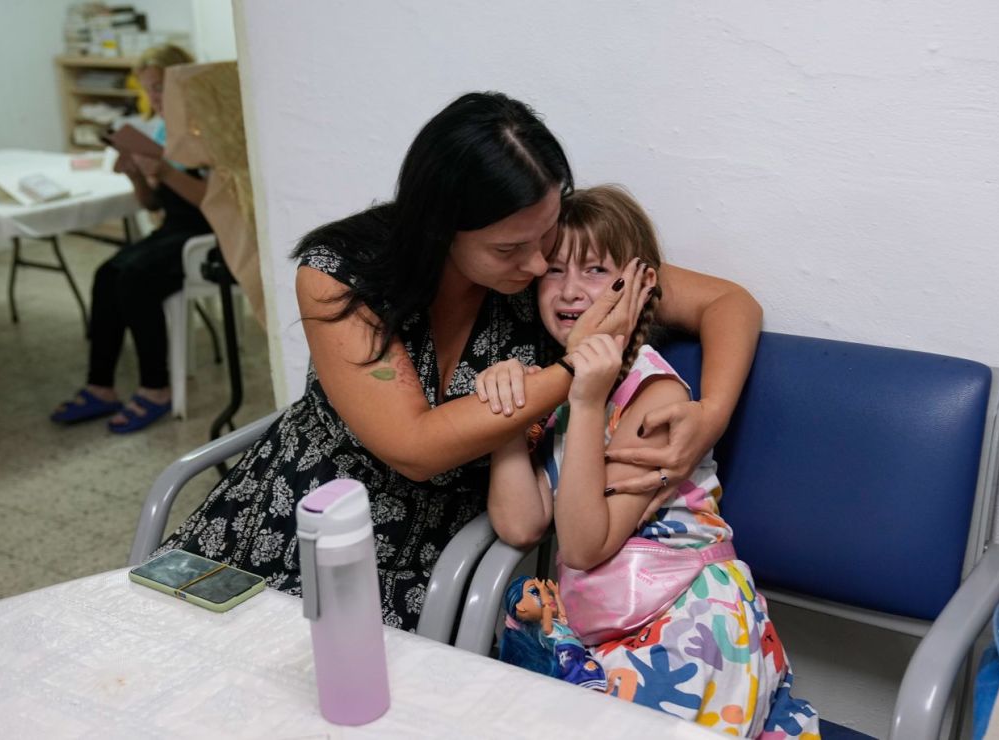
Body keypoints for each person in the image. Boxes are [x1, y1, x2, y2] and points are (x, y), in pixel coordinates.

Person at [156, 92, 762, 632]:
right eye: (509, 248)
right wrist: (577, 371)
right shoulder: (342, 272)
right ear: (441, 229)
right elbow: (414, 446)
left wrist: (710, 415)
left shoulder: (556, 273)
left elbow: (729, 303)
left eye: (546, 235)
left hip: (430, 558)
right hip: (296, 512)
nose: (535, 268)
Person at [484, 185, 819, 737]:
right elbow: (521, 521)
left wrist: (588, 400)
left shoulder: (654, 395)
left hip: (687, 623)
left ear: (641, 288)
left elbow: (587, 544)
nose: (570, 291)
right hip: (607, 625)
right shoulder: (563, 388)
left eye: (596, 271)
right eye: (555, 271)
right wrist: (505, 416)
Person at [51, 44, 211, 433]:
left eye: (160, 87)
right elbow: (154, 205)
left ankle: (156, 388)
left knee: (136, 278)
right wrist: (137, 176)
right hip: (174, 227)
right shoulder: (158, 129)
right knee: (107, 273)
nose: (154, 98)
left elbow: (215, 204)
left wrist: (168, 173)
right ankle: (100, 386)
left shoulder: (205, 129)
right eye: (148, 90)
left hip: (208, 234)